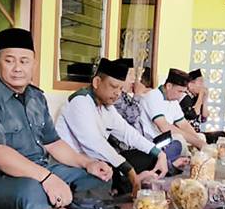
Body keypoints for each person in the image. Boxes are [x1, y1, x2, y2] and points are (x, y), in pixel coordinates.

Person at [0, 28, 112, 209]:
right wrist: (47, 179)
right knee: (31, 188)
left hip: (40, 168)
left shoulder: (36, 97)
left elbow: (53, 143)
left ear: (34, 64)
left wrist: (87, 162)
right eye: (9, 61)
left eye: (24, 61)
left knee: (95, 176)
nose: (17, 68)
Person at [56, 58, 169, 196]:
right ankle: (126, 185)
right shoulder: (80, 102)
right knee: (106, 175)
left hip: (96, 162)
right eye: (114, 87)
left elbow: (128, 133)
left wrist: (160, 154)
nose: (118, 93)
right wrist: (131, 173)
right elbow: (95, 143)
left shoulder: (106, 107)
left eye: (121, 89)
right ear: (97, 82)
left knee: (148, 157)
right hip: (72, 164)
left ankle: (127, 184)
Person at [139, 68, 207, 152]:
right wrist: (196, 142)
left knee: (201, 137)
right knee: (180, 139)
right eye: (179, 91)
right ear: (169, 86)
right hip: (153, 143)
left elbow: (183, 124)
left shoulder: (173, 100)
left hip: (166, 140)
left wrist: (199, 140)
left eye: (183, 92)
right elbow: (164, 127)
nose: (180, 96)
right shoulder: (153, 96)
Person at [179, 69, 225, 144]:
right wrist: (201, 94)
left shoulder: (196, 97)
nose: (203, 86)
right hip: (187, 134)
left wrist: (205, 98)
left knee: (221, 135)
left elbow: (204, 118)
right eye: (200, 82)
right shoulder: (184, 97)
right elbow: (193, 115)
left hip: (197, 133)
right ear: (190, 85)